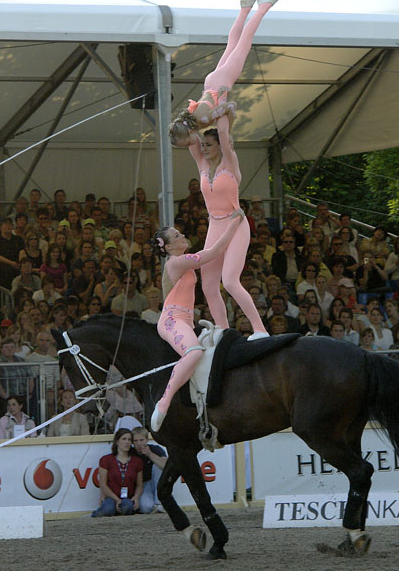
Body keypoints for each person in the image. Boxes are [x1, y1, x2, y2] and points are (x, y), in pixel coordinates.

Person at [149, 210, 243, 432]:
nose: (182, 237)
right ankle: (164, 403)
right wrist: (233, 223)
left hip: (186, 319)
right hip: (172, 320)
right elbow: (212, 252)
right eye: (177, 236)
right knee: (194, 352)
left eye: (180, 233)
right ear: (170, 247)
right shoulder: (176, 263)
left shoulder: (181, 262)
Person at [183, 124, 269, 340]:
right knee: (209, 284)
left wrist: (219, 108)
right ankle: (223, 330)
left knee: (230, 280)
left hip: (236, 223)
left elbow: (223, 130)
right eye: (203, 144)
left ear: (222, 145)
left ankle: (260, 329)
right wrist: (192, 116)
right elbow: (188, 136)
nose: (204, 148)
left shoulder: (230, 162)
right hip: (214, 225)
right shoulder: (202, 163)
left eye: (209, 144)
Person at [169, 0, 283, 141]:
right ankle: (245, 9)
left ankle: (264, 6)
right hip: (211, 83)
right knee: (233, 45)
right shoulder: (193, 116)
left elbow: (230, 106)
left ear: (189, 134)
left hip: (221, 81)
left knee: (244, 43)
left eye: (188, 143)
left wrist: (228, 130)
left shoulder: (203, 119)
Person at [92, 428, 143, 517]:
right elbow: (103, 484)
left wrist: (137, 497)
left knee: (127, 507)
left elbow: (139, 484)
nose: (127, 442)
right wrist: (116, 500)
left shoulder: (137, 461)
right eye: (124, 439)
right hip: (111, 496)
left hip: (128, 497)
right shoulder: (106, 460)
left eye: (129, 439)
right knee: (107, 510)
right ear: (117, 441)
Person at [132, 426, 167, 513]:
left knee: (157, 466)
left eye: (141, 440)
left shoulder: (155, 449)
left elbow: (166, 466)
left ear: (147, 440)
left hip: (157, 482)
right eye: (136, 441)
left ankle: (160, 503)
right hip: (142, 485)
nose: (139, 443)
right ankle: (156, 505)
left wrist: (150, 454)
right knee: (146, 508)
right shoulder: (131, 453)